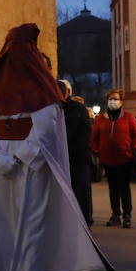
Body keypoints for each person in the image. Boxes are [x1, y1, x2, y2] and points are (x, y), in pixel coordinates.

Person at [0, 24, 110, 271]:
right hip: (2, 166)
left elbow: (45, 130)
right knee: (5, 223)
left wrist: (18, 158)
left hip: (30, 165)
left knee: (29, 224)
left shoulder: (44, 92)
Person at [90, 89, 136, 228]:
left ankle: (127, 215)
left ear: (121, 101)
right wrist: (97, 151)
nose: (113, 101)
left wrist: (134, 149)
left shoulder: (128, 117)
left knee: (124, 188)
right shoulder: (100, 119)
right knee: (113, 188)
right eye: (110, 99)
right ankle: (115, 215)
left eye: (115, 99)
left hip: (125, 158)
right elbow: (94, 137)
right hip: (107, 159)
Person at [57, 79, 94, 226]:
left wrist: (71, 150)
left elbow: (85, 133)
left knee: (82, 192)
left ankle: (85, 222)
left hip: (77, 160)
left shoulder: (79, 109)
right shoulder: (52, 108)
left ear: (67, 93)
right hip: (60, 159)